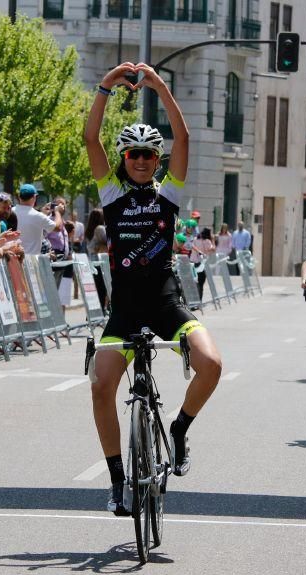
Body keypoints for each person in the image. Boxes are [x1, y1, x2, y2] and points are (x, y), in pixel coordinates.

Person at [84, 62, 222, 515]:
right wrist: (105, 86)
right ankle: (118, 479)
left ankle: (179, 431)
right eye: (132, 155)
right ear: (123, 160)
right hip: (124, 308)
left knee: (211, 364)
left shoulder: (170, 194)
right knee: (102, 384)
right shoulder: (110, 195)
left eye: (148, 154)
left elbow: (184, 138)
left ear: (157, 160)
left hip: (165, 303)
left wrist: (160, 86)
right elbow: (90, 139)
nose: (141, 160)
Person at [12, 184, 62, 255]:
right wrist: (57, 212)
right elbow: (58, 227)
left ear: (19, 197)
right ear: (34, 197)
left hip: (13, 259)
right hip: (32, 261)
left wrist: (42, 213)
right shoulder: (38, 216)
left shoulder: (10, 212)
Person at [191, 227, 215, 300]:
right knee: (200, 283)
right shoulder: (207, 241)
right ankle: (199, 301)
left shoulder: (195, 240)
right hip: (202, 265)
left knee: (194, 282)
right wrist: (213, 240)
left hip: (193, 263)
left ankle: (193, 300)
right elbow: (213, 249)